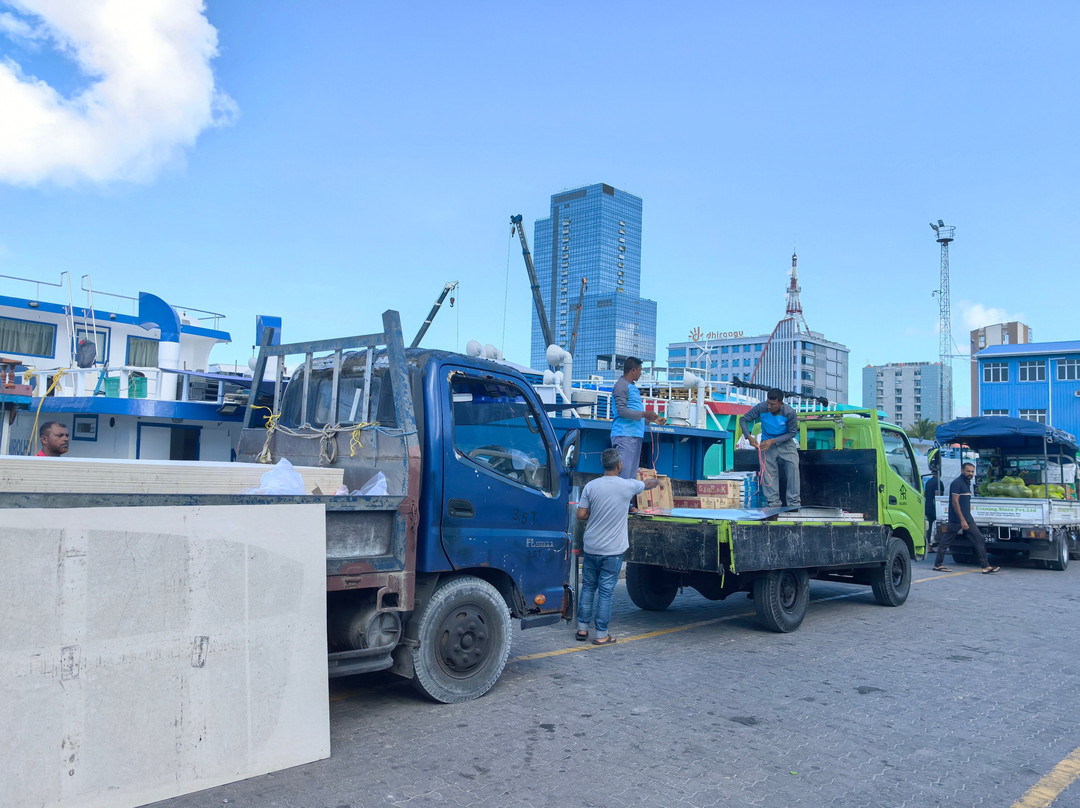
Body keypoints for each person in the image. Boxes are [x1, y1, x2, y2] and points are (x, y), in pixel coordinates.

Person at [575, 448, 659, 645]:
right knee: (605, 591)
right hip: (612, 551)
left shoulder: (591, 486)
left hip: (591, 547)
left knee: (588, 587)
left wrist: (594, 515)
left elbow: (580, 514)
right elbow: (646, 484)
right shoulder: (627, 486)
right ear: (619, 465)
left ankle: (582, 629)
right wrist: (657, 481)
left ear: (603, 465)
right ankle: (601, 635)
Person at [933, 461, 999, 574]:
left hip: (968, 518)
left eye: (972, 471)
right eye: (968, 471)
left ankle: (985, 566)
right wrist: (962, 520)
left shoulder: (966, 483)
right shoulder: (957, 483)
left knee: (979, 538)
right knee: (946, 541)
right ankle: (937, 565)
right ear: (962, 470)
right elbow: (955, 502)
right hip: (957, 519)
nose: (970, 473)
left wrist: (966, 518)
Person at [739, 388, 800, 508]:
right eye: (768, 403)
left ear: (780, 403)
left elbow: (792, 433)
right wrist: (749, 437)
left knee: (793, 470)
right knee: (768, 473)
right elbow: (743, 420)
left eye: (772, 404)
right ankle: (773, 502)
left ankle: (794, 503)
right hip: (766, 443)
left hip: (785, 443)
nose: (769, 406)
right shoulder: (761, 408)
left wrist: (774, 441)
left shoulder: (790, 412)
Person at [610, 357, 661, 482]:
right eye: (639, 370)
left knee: (631, 477)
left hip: (634, 435)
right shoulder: (621, 386)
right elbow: (621, 410)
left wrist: (651, 418)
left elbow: (634, 410)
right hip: (624, 435)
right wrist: (644, 414)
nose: (640, 373)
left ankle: (626, 502)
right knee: (624, 476)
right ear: (633, 370)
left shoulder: (631, 387)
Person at [923, 450, 943, 548]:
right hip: (935, 508)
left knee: (929, 527)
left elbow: (925, 494)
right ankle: (933, 544)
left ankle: (928, 545)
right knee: (937, 526)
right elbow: (938, 495)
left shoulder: (928, 482)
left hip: (927, 506)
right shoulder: (939, 483)